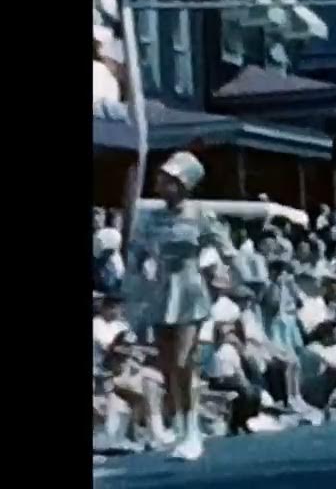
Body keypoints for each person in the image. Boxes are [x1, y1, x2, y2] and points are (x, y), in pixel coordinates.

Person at [128, 151, 230, 460]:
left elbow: (222, 247)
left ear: (184, 184)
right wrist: (142, 266)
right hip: (161, 291)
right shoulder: (150, 218)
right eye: (161, 179)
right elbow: (138, 251)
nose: (161, 184)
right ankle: (181, 425)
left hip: (189, 289)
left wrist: (214, 263)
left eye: (169, 180)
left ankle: (193, 430)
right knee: (169, 364)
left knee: (185, 361)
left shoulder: (200, 214)